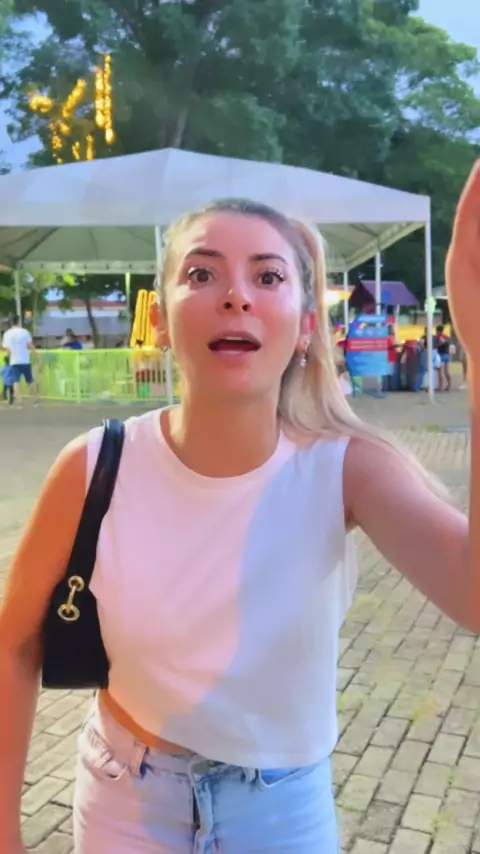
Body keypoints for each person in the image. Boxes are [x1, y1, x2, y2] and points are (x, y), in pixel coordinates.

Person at [1, 162, 480, 854]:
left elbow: (472, 596)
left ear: (306, 325)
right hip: (123, 800)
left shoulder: (346, 468)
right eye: (201, 273)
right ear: (160, 322)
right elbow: (14, 643)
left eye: (268, 276)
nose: (236, 296)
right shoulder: (93, 465)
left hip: (283, 814)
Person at [1, 314, 35, 404]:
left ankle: (19, 400)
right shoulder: (25, 332)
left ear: (10, 322)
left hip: (14, 361)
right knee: (30, 380)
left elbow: (7, 349)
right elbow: (30, 345)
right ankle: (34, 399)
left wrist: (8, 358)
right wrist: (35, 354)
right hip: (25, 359)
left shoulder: (7, 334)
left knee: (16, 381)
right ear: (19, 321)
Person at [435, 324, 452, 391]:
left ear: (438, 331)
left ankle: (440, 387)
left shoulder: (439, 337)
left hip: (441, 355)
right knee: (446, 372)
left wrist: (435, 345)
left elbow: (439, 344)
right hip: (447, 355)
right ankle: (449, 386)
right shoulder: (446, 336)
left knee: (440, 372)